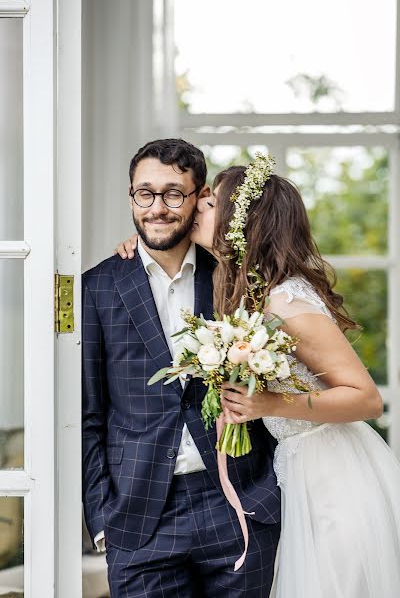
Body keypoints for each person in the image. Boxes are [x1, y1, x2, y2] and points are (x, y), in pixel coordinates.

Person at [116, 155, 400, 597]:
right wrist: (140, 247)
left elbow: (365, 399)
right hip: (297, 471)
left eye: (209, 204)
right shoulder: (249, 291)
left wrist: (268, 405)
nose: (197, 208)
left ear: (237, 224)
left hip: (333, 477)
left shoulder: (285, 301)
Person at [82, 139, 281, 598]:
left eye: (174, 194)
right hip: (139, 517)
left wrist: (267, 494)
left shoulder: (237, 277)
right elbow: (88, 416)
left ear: (200, 197)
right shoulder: (98, 287)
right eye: (144, 194)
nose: (157, 208)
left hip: (237, 503)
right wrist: (102, 518)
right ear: (131, 196)